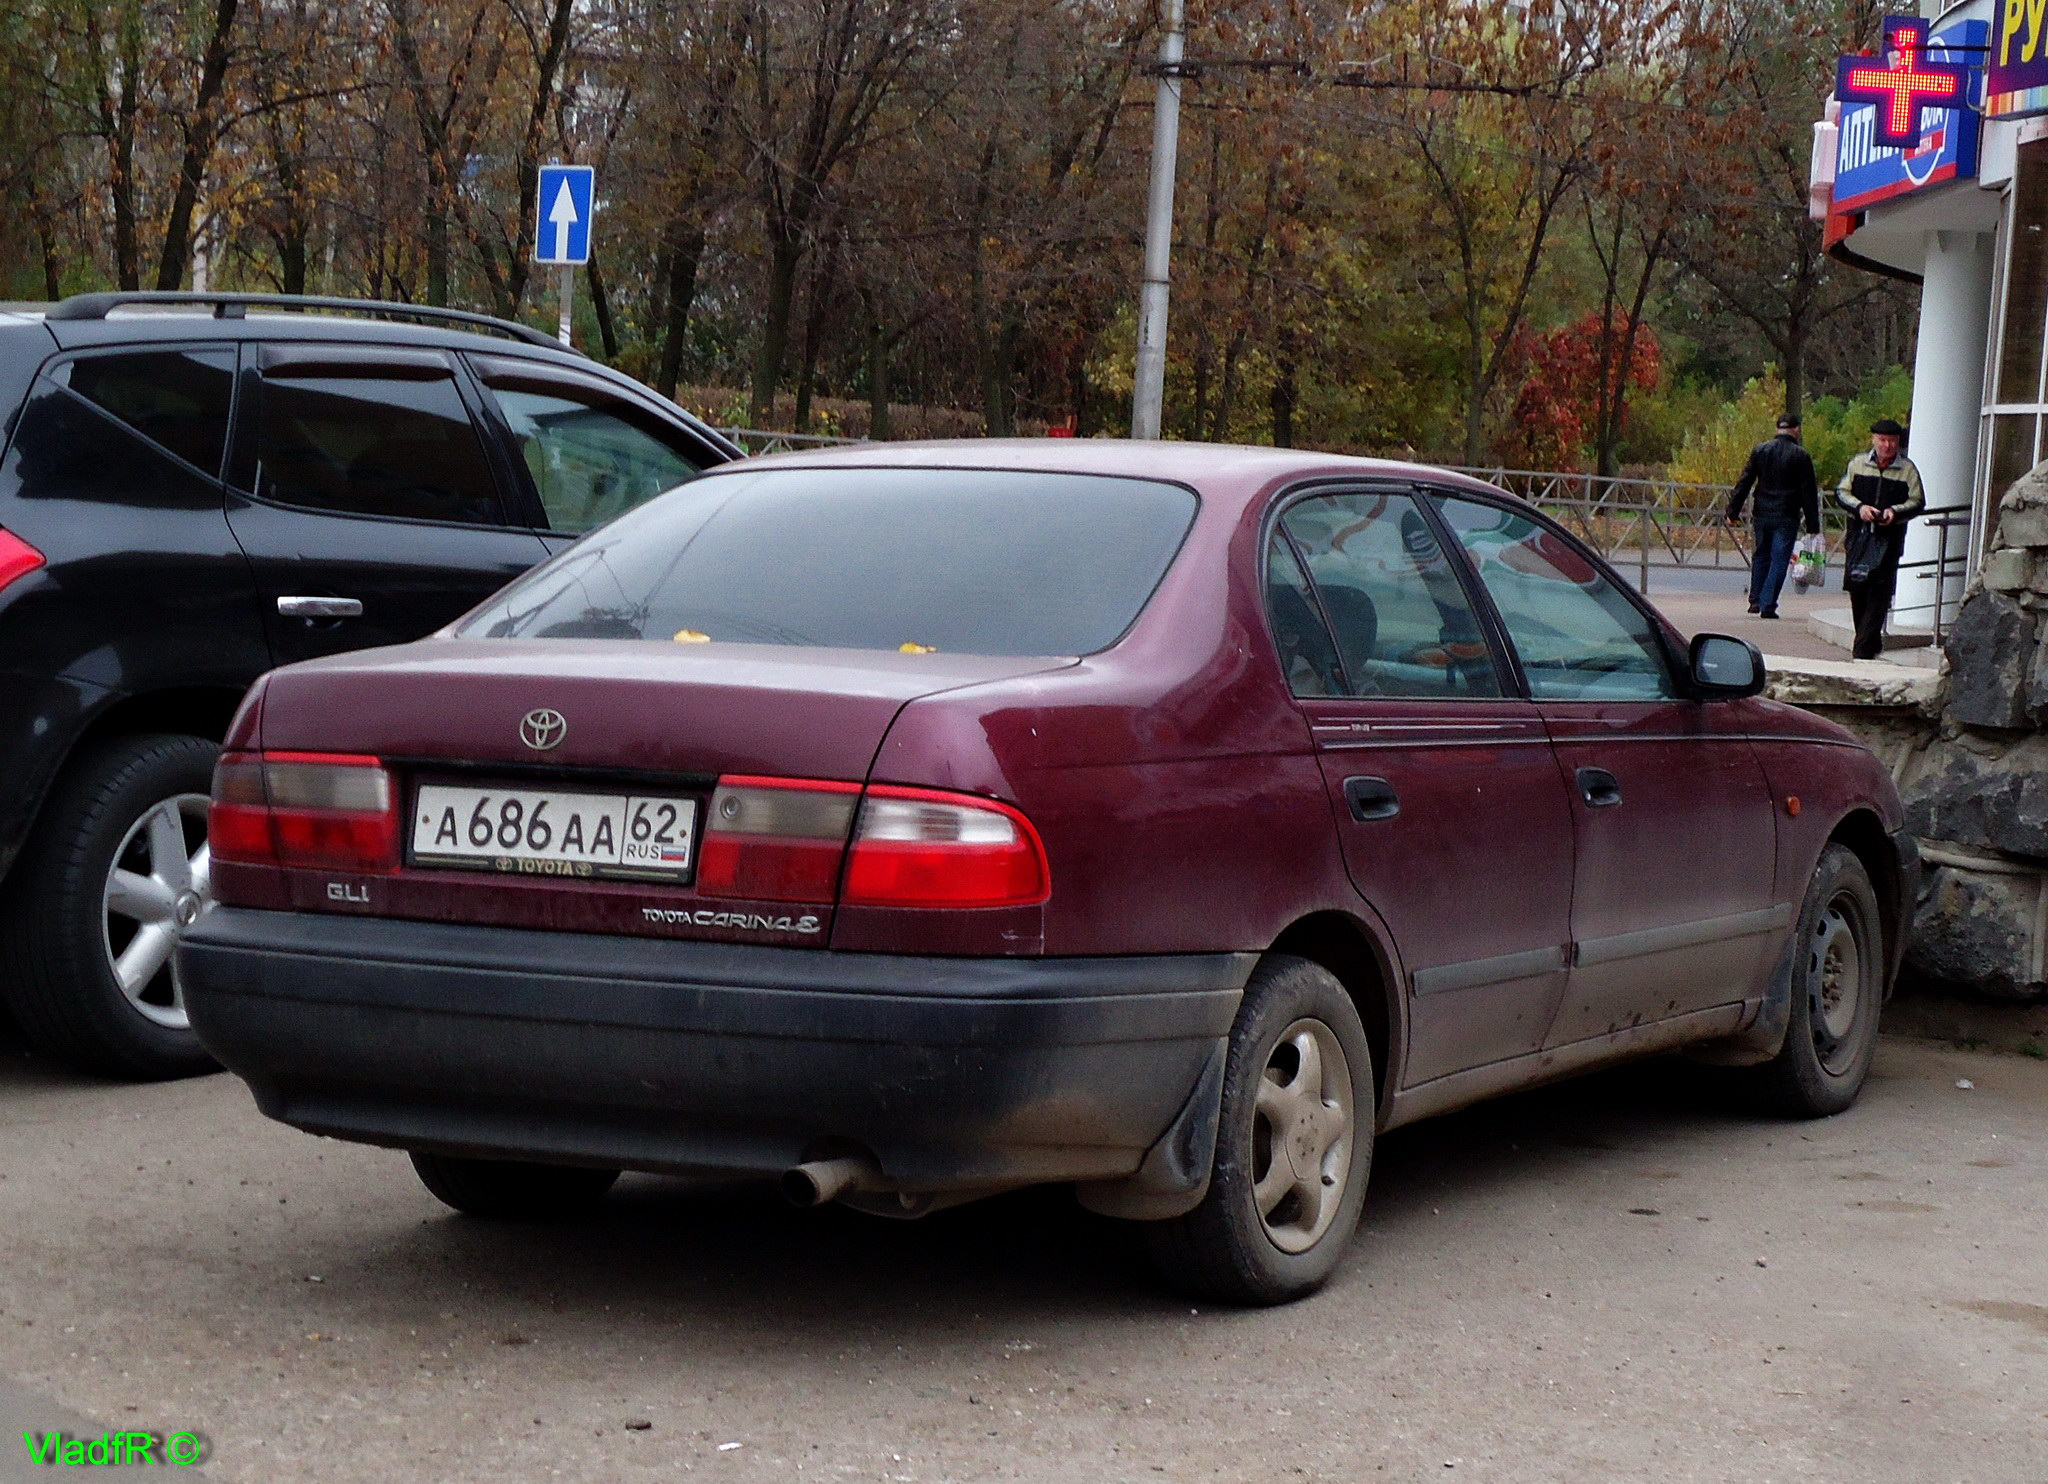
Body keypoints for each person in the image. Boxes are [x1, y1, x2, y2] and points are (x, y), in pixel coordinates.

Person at [1834, 417, 1925, 660]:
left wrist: (1895, 512)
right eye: (1883, 440)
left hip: (1889, 542)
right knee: (1858, 589)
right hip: (1859, 540)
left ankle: (1861, 651)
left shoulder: (1907, 470)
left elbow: (1917, 502)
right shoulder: (1858, 464)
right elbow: (1841, 492)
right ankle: (1869, 644)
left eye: (1892, 441)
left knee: (1879, 593)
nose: (1887, 446)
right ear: (1874, 440)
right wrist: (1860, 508)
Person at [1725, 413, 1821, 619]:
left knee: (1761, 555)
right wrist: (1814, 525)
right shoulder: (1800, 456)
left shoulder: (1761, 451)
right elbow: (1808, 493)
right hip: (1786, 514)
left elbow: (1745, 482)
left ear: (1778, 429)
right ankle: (1768, 604)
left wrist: (1732, 511)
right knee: (1779, 559)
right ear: (1796, 430)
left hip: (1762, 513)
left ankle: (1755, 600)